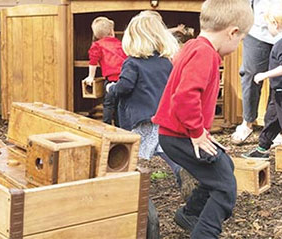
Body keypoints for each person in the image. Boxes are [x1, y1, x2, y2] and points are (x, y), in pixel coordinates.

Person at [152, 0, 253, 237]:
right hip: (181, 135)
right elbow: (185, 97)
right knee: (225, 187)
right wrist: (197, 133)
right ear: (232, 32)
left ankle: (190, 214)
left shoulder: (193, 46)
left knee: (223, 165)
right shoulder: (204, 54)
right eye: (241, 40)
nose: (239, 45)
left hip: (175, 134)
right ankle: (205, 233)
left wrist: (199, 132)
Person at [106, 10, 195, 199]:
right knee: (166, 151)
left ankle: (132, 192)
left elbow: (124, 87)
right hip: (162, 117)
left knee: (135, 155)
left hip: (141, 119)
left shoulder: (132, 63)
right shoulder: (165, 62)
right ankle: (183, 172)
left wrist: (111, 89)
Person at [231, 0, 282, 145]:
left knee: (281, 83)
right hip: (257, 24)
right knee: (251, 74)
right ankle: (247, 122)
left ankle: (272, 129)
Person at [82, 16, 127, 126]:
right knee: (119, 105)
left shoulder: (97, 45)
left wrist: (90, 77)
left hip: (111, 80)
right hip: (123, 79)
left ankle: (106, 126)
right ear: (112, 32)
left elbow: (93, 61)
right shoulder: (119, 43)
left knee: (108, 105)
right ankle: (119, 127)